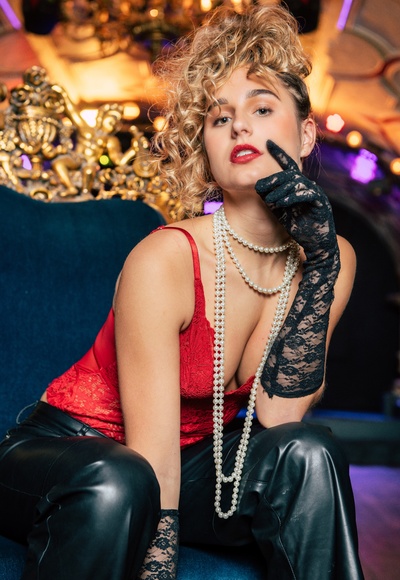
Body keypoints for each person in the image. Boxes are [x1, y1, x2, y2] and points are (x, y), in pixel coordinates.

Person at [0, 4, 364, 579]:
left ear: (305, 134)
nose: (239, 127)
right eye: (219, 118)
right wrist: (161, 558)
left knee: (309, 452)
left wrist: (318, 267)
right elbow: (151, 457)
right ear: (208, 150)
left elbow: (278, 417)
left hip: (198, 460)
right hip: (68, 455)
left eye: (261, 108)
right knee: (121, 480)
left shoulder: (330, 259)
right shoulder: (165, 258)